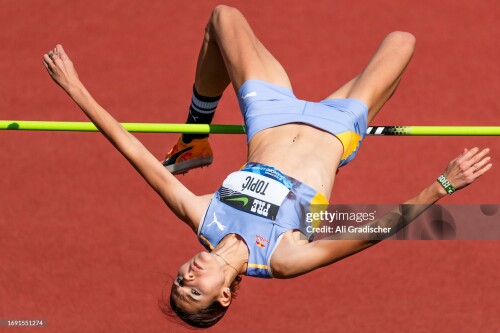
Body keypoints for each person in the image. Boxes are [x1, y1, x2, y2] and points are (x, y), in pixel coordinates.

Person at [42, 5, 492, 329]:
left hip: (269, 116)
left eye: (179, 281)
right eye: (194, 290)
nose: (187, 276)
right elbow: (372, 228)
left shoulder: (205, 217)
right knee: (402, 41)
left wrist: (75, 88)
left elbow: (134, 153)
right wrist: (442, 185)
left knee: (224, 17)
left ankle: (195, 136)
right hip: (335, 129)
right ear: (224, 294)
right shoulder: (281, 258)